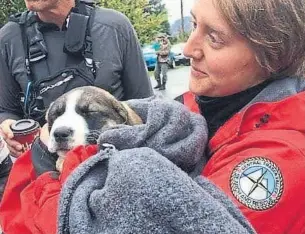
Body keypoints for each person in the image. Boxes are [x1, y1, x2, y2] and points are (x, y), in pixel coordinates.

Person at [0, 0, 305, 233]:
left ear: (271, 55)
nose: (187, 49)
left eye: (214, 38)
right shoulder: (190, 109)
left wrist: (47, 172)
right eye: (194, 25)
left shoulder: (275, 161)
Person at [0, 0, 153, 198]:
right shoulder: (9, 38)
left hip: (116, 177)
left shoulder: (113, 27)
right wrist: (8, 125)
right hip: (47, 182)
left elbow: (146, 108)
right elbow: (6, 109)